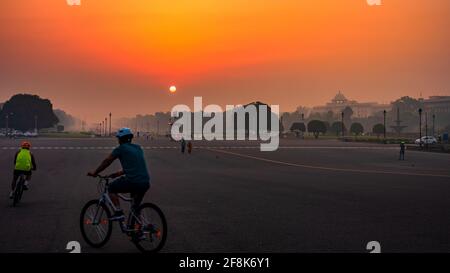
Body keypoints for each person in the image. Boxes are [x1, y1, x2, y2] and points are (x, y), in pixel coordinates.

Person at [87, 128, 150, 221]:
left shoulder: (121, 149)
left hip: (133, 181)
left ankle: (118, 212)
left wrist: (95, 173)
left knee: (111, 188)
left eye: (118, 138)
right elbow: (132, 167)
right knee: (135, 208)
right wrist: (115, 174)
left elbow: (107, 161)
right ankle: (139, 230)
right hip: (145, 182)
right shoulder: (138, 148)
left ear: (120, 139)